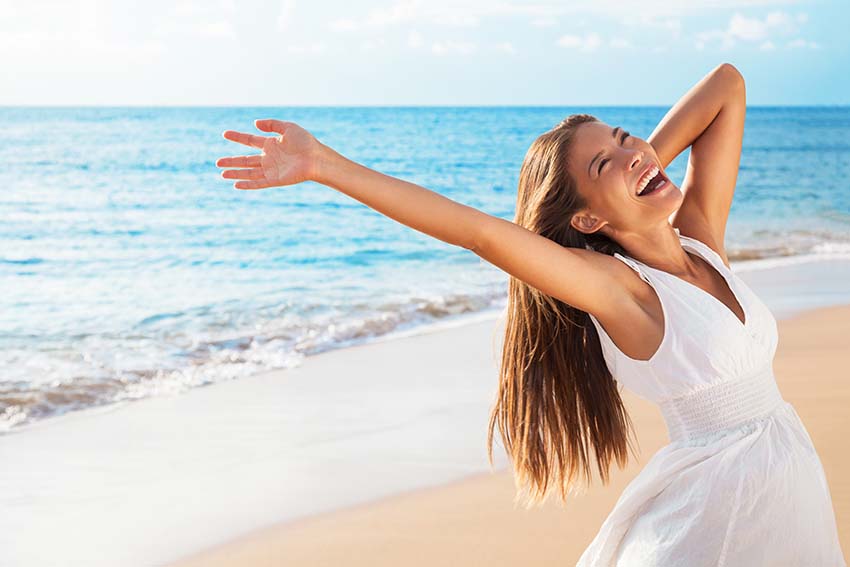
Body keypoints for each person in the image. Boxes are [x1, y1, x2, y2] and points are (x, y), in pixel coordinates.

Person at [216, 63, 846, 565]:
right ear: (586, 223)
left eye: (625, 139)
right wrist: (327, 167)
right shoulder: (620, 290)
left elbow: (727, 86)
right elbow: (480, 234)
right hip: (716, 509)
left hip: (783, 489)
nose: (632, 153)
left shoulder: (701, 238)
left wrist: (631, 168)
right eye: (606, 162)